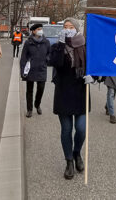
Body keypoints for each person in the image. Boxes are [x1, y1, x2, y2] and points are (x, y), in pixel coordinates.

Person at [48, 17, 93, 179]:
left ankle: (77, 153)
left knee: (81, 129)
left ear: (77, 28)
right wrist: (60, 45)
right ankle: (69, 162)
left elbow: (94, 65)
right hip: (63, 92)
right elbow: (54, 63)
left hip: (81, 91)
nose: (68, 29)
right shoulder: (57, 46)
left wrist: (93, 76)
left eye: (71, 26)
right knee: (66, 129)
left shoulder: (85, 46)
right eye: (65, 26)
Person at [20, 24, 50, 118]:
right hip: (30, 69)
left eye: (41, 29)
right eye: (38, 29)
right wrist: (22, 71)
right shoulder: (28, 43)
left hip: (42, 69)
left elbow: (49, 53)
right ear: (33, 31)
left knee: (41, 89)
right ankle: (29, 109)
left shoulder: (46, 42)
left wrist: (46, 60)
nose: (40, 30)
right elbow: (23, 57)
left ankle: (37, 104)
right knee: (29, 90)